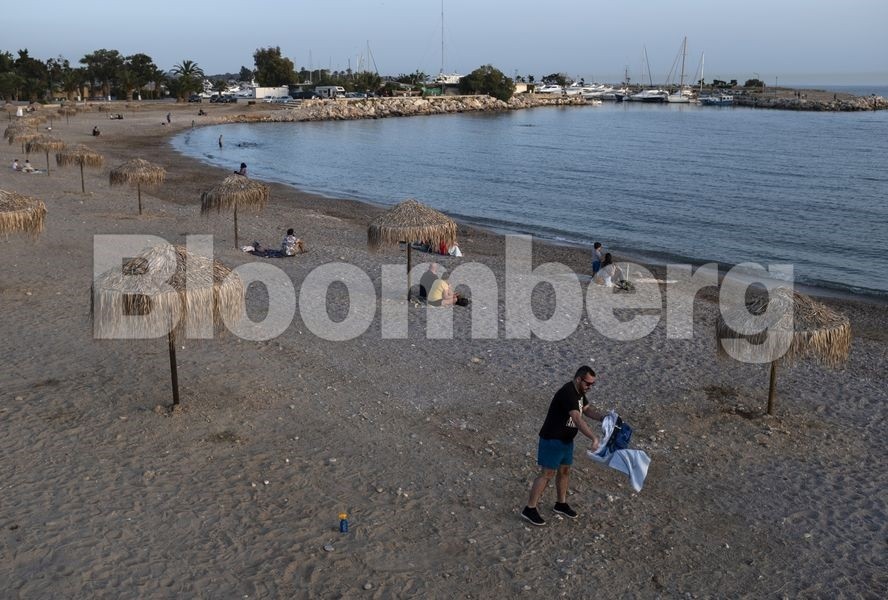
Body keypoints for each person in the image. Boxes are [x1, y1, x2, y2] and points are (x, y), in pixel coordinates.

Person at [521, 366, 604, 526]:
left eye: (593, 384)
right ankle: (529, 508)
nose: (590, 387)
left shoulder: (580, 392)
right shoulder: (568, 393)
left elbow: (586, 410)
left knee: (564, 471)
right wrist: (593, 438)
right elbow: (577, 418)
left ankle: (561, 503)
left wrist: (603, 418)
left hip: (566, 440)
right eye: (588, 383)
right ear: (579, 379)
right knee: (547, 474)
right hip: (553, 439)